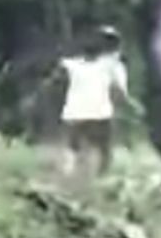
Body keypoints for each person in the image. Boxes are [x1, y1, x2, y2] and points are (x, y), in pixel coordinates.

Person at [54, 25, 141, 176]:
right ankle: (101, 177)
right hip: (100, 112)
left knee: (73, 146)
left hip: (74, 112)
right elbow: (119, 92)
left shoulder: (71, 64)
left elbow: (55, 81)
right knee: (104, 149)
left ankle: (70, 174)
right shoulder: (113, 66)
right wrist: (131, 105)